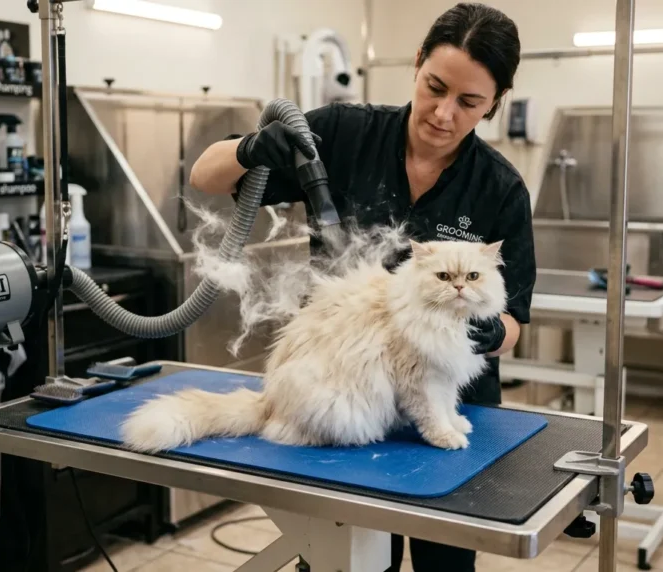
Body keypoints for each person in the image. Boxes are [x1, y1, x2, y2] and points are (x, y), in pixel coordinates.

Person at [190, 3, 534, 570]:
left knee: (444, 565)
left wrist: (476, 327)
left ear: (494, 103)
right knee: (346, 562)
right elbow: (205, 175)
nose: (444, 113)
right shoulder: (342, 133)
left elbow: (515, 324)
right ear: (418, 64)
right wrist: (249, 149)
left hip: (449, 406)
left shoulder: (500, 188)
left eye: (469, 102)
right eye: (435, 87)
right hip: (348, 392)